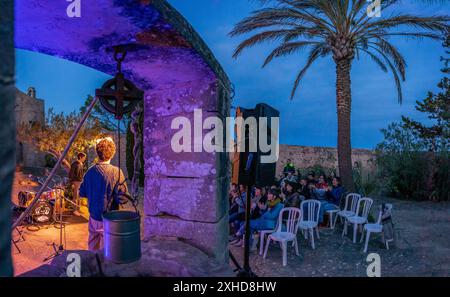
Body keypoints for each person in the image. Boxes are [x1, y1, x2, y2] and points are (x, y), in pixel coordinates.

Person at [79, 138, 128, 251]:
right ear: (112, 154)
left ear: (97, 153)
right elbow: (123, 198)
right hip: (110, 219)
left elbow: (82, 192)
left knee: (92, 249)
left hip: (93, 217)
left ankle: (93, 266)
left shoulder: (89, 172)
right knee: (109, 250)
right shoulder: (116, 172)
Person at [68, 152, 86, 216]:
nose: (84, 159)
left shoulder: (81, 164)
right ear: (80, 157)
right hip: (75, 182)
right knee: (75, 196)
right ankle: (74, 210)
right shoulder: (75, 164)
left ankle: (78, 209)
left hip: (80, 182)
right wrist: (72, 183)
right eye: (84, 158)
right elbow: (71, 174)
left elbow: (81, 174)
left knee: (79, 197)